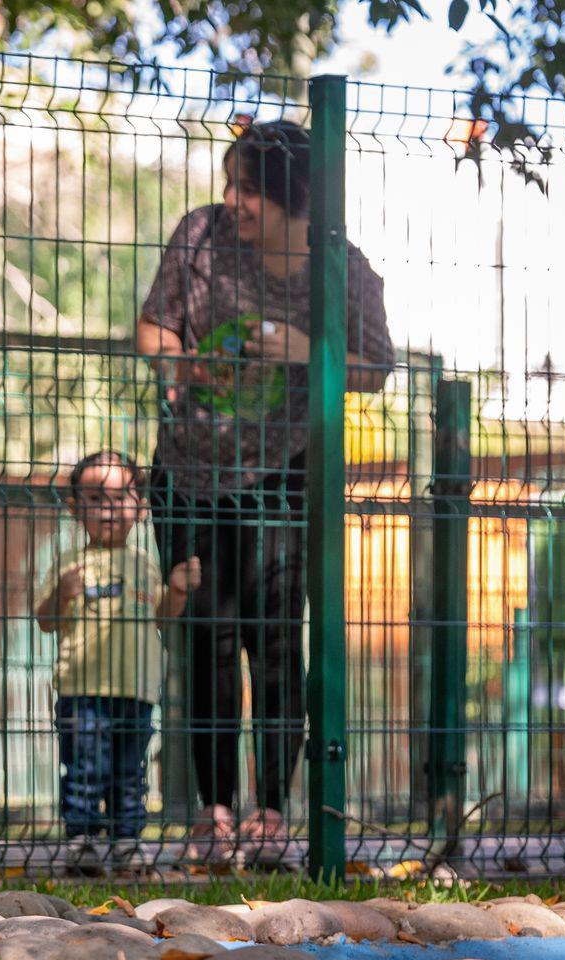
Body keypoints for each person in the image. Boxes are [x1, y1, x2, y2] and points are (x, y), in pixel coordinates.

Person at [137, 118, 396, 864]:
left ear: (293, 196)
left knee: (276, 644)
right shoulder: (201, 235)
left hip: (286, 478)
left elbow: (376, 368)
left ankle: (271, 815)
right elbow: (153, 328)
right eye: (231, 185)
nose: (232, 202)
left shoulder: (342, 267)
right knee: (207, 642)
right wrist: (184, 366)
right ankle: (214, 815)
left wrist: (304, 351)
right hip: (190, 472)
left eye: (249, 190)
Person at [35, 451, 201, 875]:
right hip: (81, 689)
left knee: (131, 770)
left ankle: (127, 840)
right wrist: (62, 595)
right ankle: (82, 841)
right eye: (95, 497)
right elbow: (46, 621)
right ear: (75, 507)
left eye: (120, 496)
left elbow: (163, 617)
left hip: (137, 688)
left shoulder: (145, 565)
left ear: (141, 506)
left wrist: (178, 591)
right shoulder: (69, 562)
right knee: (85, 769)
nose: (108, 507)